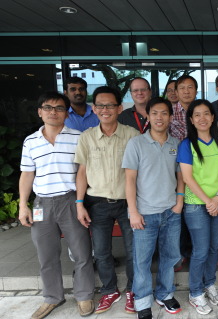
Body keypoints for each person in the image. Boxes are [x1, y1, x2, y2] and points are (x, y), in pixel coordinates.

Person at [19, 92, 95, 319]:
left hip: (71, 200)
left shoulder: (78, 137)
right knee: (46, 255)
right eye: (48, 107)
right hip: (42, 203)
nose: (53, 112)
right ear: (40, 112)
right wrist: (23, 205)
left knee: (82, 252)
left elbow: (84, 172)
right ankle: (52, 297)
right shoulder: (30, 141)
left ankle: (84, 296)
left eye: (59, 108)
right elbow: (26, 174)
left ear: (66, 112)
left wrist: (81, 202)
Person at [75, 86, 140, 314]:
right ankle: (109, 290)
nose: (105, 109)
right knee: (101, 252)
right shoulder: (87, 137)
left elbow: (139, 172)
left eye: (110, 105)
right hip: (97, 203)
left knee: (134, 251)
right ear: (94, 109)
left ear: (120, 108)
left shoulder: (132, 135)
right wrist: (79, 203)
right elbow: (82, 173)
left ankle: (133, 290)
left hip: (126, 203)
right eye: (100, 105)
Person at [122, 97, 185, 319]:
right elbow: (129, 180)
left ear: (171, 117)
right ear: (148, 116)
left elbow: (180, 176)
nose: (160, 117)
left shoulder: (176, 144)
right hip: (145, 214)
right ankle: (142, 301)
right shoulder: (136, 143)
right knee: (142, 261)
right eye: (155, 113)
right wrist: (133, 212)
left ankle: (165, 294)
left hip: (171, 212)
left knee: (170, 256)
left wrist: (179, 202)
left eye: (164, 113)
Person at [177, 99, 218, 315]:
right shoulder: (186, 144)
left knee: (213, 249)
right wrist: (209, 201)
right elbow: (187, 178)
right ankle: (195, 292)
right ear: (191, 119)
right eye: (197, 114)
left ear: (212, 117)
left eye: (206, 113)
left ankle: (209, 283)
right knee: (200, 251)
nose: (202, 118)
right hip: (196, 205)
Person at [170, 74, 198, 141]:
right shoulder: (169, 112)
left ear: (196, 91)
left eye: (190, 87)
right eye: (182, 88)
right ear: (176, 92)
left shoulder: (204, 112)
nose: (186, 92)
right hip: (176, 150)